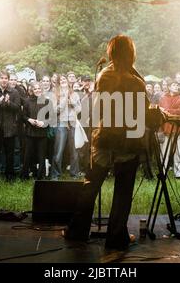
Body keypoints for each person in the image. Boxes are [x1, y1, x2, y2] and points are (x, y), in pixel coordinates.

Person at [63, 35, 161, 250]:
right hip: (127, 141)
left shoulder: (103, 75)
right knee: (123, 191)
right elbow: (143, 113)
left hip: (104, 138)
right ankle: (116, 236)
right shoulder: (136, 82)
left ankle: (77, 231)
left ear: (110, 53)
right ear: (131, 54)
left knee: (91, 186)